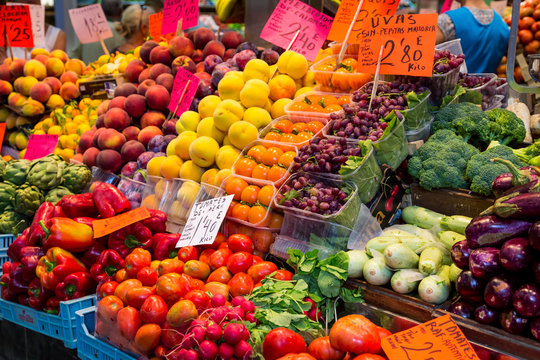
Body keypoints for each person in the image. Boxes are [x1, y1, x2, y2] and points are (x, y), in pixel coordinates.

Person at [436, 0, 509, 73]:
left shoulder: (447, 21)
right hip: (486, 82)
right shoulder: (503, 27)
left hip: (455, 83)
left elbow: (425, 52)